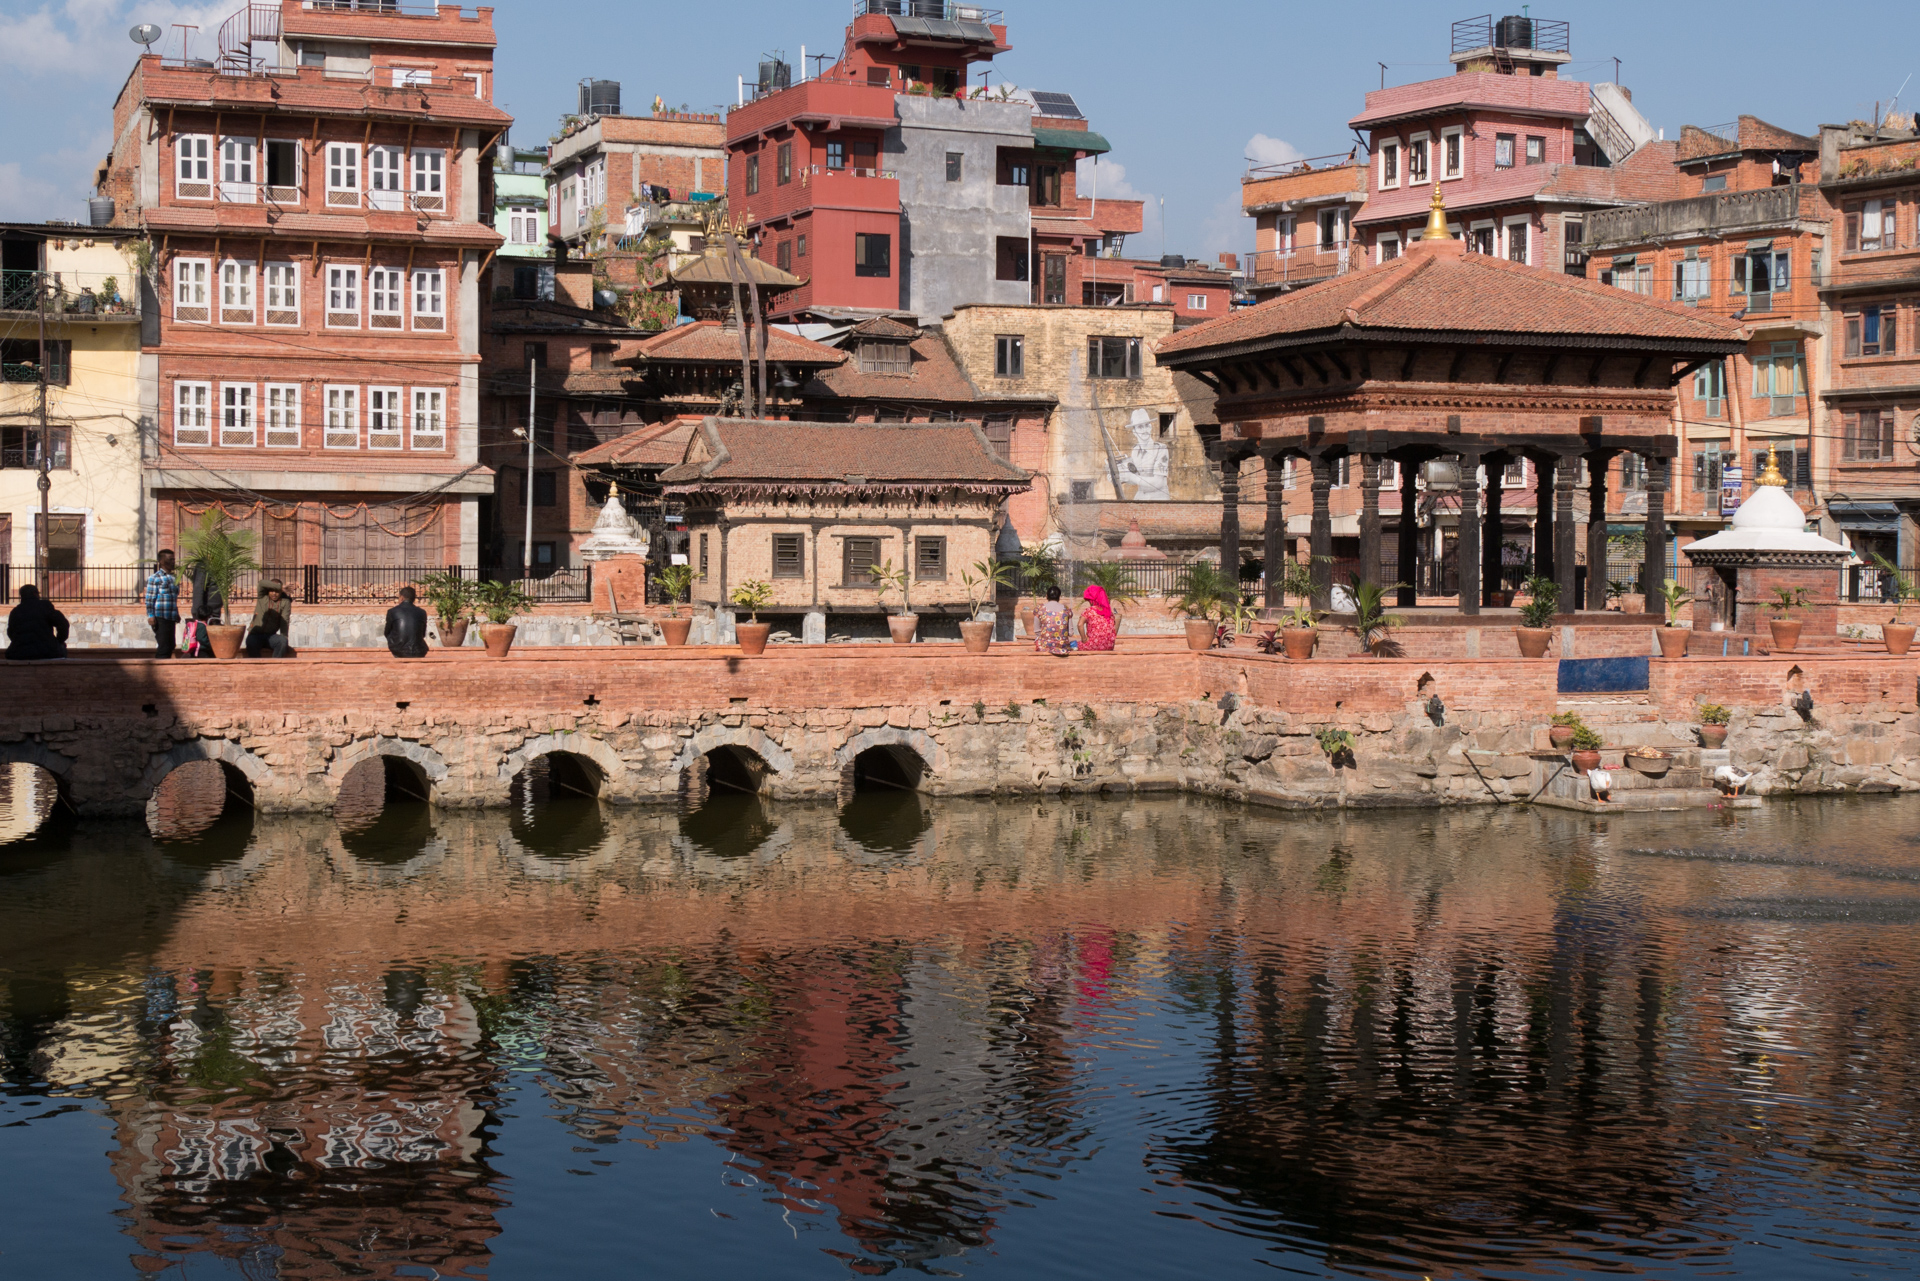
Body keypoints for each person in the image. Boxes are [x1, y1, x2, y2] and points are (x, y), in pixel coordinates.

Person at [5, 584, 69, 660]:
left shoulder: (15, 612)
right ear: (35, 593)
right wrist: (59, 641)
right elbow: (63, 624)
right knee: (62, 649)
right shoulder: (45, 606)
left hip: (19, 653)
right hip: (47, 652)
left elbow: (10, 632)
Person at [244, 578, 294, 658]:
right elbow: (261, 583)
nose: (274, 594)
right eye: (272, 590)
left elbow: (284, 621)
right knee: (251, 643)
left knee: (282, 641)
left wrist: (284, 641)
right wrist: (279, 587)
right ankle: (256, 666)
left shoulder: (285, 602)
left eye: (277, 591)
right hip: (255, 635)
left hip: (271, 636)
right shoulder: (262, 597)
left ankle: (274, 666)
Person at [144, 549, 179, 658]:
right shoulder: (155, 578)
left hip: (171, 617)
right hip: (160, 617)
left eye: (174, 559)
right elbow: (150, 598)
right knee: (164, 647)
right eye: (170, 559)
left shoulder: (174, 578)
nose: (173, 562)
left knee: (171, 645)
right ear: (162, 561)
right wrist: (151, 615)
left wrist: (176, 614)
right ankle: (161, 669)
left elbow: (173, 598)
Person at [384, 586, 430, 658]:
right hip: (418, 651)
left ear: (401, 598)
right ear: (414, 599)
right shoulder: (422, 612)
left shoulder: (392, 611)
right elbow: (423, 634)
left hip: (398, 650)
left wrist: (395, 642)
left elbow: (387, 632)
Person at [1031, 585, 1073, 657]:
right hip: (1063, 646)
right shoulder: (1067, 610)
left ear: (1046, 596)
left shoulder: (1039, 609)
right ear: (1059, 597)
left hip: (1045, 646)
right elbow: (1071, 633)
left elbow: (1037, 631)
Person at [1079, 584, 1117, 652]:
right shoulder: (1109, 613)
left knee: (1072, 645)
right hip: (1109, 646)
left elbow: (1080, 624)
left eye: (1089, 601)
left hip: (1093, 645)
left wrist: (1084, 639)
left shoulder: (1089, 611)